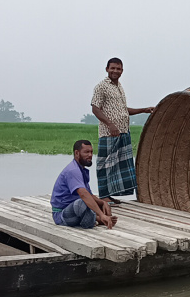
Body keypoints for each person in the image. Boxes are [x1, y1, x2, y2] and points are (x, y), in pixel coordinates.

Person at [90, 57, 155, 204]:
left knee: (116, 166)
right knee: (104, 164)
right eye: (112, 68)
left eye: (118, 69)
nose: (115, 71)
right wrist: (110, 124)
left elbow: (123, 111)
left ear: (122, 71)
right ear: (107, 69)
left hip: (123, 132)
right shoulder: (101, 87)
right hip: (109, 133)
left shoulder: (119, 87)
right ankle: (103, 195)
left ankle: (109, 195)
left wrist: (143, 110)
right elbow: (95, 108)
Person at [51, 140, 117, 229]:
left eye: (91, 152)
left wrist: (103, 203)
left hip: (75, 211)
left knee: (96, 204)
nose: (90, 155)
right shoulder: (73, 170)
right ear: (77, 153)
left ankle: (96, 219)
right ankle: (96, 220)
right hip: (62, 215)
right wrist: (101, 215)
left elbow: (89, 194)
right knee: (81, 203)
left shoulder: (81, 170)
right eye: (86, 152)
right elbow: (83, 194)